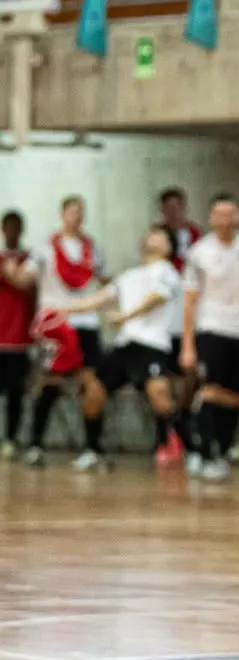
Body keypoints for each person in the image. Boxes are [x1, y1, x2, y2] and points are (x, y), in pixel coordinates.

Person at [58, 228, 183, 466]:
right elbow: (96, 300)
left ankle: (185, 444)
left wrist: (125, 316)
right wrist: (60, 308)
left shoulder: (168, 272)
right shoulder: (129, 276)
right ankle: (93, 450)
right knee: (93, 390)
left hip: (153, 345)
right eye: (151, 234)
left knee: (160, 396)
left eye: (162, 236)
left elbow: (156, 298)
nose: (154, 238)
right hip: (125, 345)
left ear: (169, 247)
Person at [181, 193, 239, 482]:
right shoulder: (200, 252)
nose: (225, 220)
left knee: (235, 397)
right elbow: (190, 300)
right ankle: (205, 453)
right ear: (211, 218)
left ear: (238, 216)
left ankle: (221, 450)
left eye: (230, 213)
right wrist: (187, 345)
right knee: (211, 390)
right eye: (219, 214)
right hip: (211, 329)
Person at [27, 196, 109, 470]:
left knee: (91, 383)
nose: (77, 216)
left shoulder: (92, 248)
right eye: (72, 211)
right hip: (57, 323)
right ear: (62, 214)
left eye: (81, 212)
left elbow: (102, 278)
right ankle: (35, 444)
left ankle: (92, 448)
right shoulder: (44, 247)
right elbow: (25, 277)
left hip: (87, 322)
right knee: (51, 381)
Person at [157, 186, 202, 450]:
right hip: (164, 322)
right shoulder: (157, 236)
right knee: (163, 378)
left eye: (178, 207)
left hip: (188, 318)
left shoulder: (196, 235)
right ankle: (166, 433)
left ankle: (184, 418)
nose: (174, 213)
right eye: (168, 208)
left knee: (190, 374)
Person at [0, 211, 37, 458]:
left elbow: (30, 288)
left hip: (20, 339)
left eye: (17, 227)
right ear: (3, 230)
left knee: (16, 393)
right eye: (8, 227)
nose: (13, 231)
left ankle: (11, 439)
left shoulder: (31, 260)